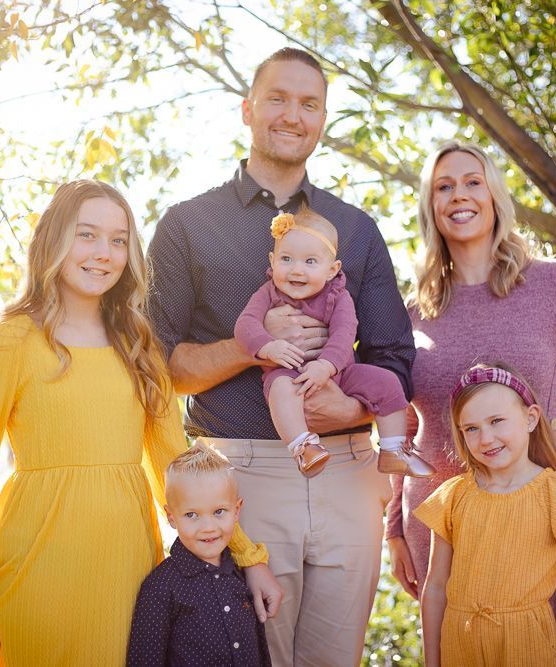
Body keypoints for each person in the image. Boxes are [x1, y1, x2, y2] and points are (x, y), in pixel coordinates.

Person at [0, 180, 274, 666]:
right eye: (86, 234)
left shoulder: (138, 344)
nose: (104, 253)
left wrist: (246, 555)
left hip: (129, 564)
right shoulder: (7, 342)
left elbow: (180, 467)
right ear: (52, 241)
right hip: (37, 560)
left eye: (118, 240)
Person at [147, 48, 415, 666]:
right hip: (240, 481)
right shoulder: (189, 225)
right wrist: (253, 346)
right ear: (247, 110)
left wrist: (341, 405)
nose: (292, 115)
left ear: (322, 120)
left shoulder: (357, 230)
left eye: (309, 103)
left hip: (349, 473)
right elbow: (161, 364)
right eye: (277, 98)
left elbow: (395, 357)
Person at [385, 142, 556, 666]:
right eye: (443, 187)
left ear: (494, 193)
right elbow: (399, 424)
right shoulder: (411, 312)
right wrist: (394, 527)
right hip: (439, 522)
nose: (459, 195)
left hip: (535, 520)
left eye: (472, 181)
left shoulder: (553, 284)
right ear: (430, 206)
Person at [417, 364, 556, 666]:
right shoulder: (452, 496)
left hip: (525, 646)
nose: (486, 438)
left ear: (530, 418)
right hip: (460, 647)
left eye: (497, 421)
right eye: (471, 428)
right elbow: (435, 588)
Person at [234, 206, 434, 478]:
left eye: (310, 262)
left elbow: (344, 334)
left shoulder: (338, 296)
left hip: (340, 373)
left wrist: (326, 366)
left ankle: (392, 449)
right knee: (280, 391)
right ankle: (303, 447)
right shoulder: (267, 293)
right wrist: (267, 347)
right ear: (272, 260)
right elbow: (245, 324)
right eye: (287, 259)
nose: (297, 270)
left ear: (332, 269)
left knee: (388, 383)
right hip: (289, 373)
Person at [127, 444, 272, 666]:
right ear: (172, 517)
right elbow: (145, 660)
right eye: (191, 514)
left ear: (237, 510)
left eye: (218, 512)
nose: (208, 527)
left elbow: (260, 650)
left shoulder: (242, 575)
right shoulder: (160, 588)